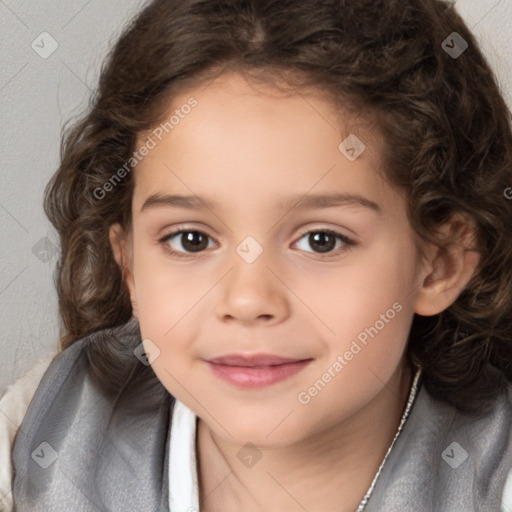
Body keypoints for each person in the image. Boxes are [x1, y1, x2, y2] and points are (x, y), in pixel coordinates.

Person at [1, 0, 512, 510]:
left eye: (321, 240)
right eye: (190, 239)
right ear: (129, 264)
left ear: (440, 263)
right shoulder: (40, 435)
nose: (247, 300)